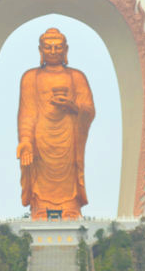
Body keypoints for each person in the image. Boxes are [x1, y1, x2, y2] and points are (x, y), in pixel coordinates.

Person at [17, 28, 95, 220]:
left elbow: (89, 109)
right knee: (40, 173)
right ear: (40, 50)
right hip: (41, 135)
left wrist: (73, 106)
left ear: (65, 50)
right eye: (48, 47)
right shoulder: (30, 78)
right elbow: (26, 113)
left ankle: (70, 207)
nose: (53, 51)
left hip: (69, 134)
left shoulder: (77, 77)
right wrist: (26, 141)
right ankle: (41, 207)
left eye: (58, 47)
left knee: (68, 172)